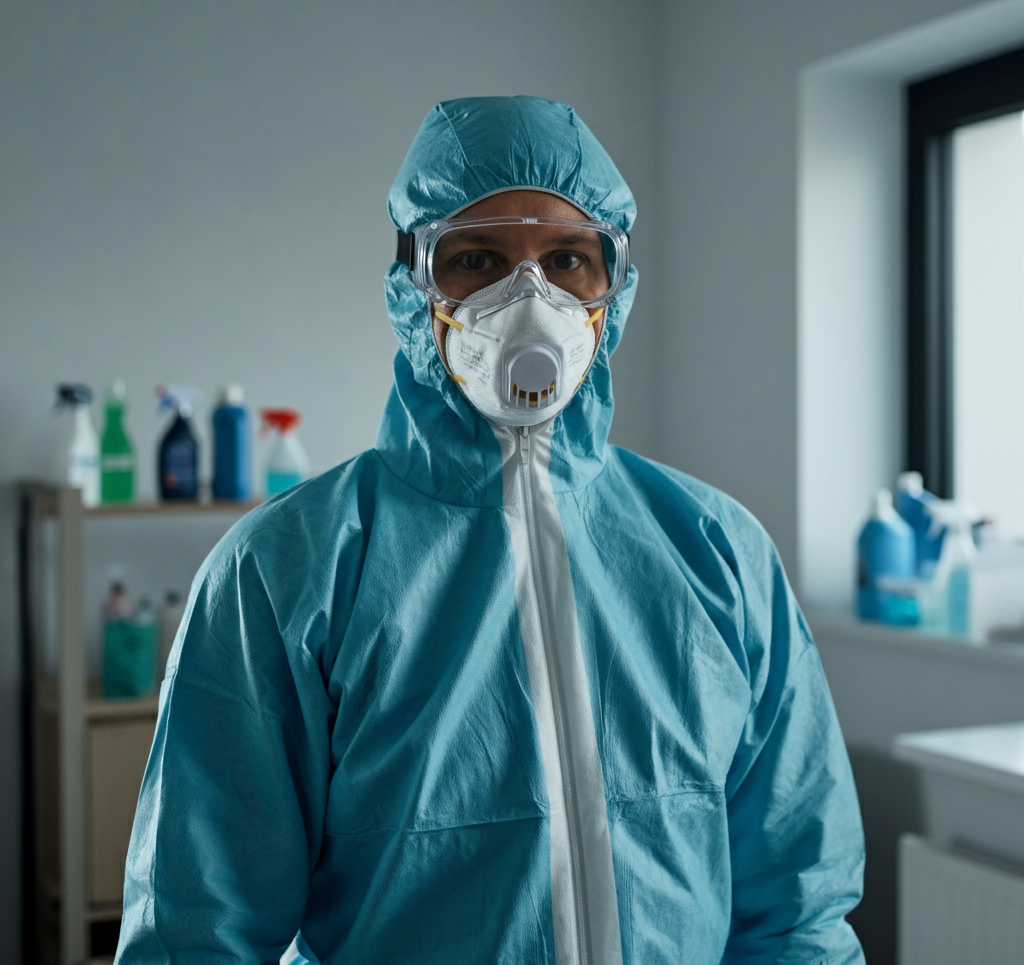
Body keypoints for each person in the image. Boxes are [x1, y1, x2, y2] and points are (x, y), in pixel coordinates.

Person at [116, 96, 865, 965]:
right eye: (476, 259)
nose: (529, 299)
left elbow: (798, 905)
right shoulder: (286, 570)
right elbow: (197, 931)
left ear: (611, 291)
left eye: (569, 259)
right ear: (413, 288)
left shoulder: (718, 552)